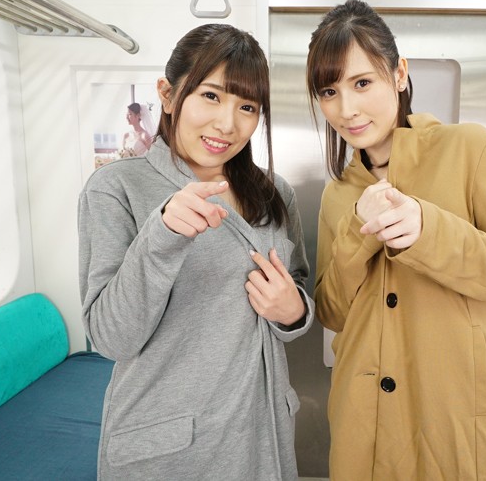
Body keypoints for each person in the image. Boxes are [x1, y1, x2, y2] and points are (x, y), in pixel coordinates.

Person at [307, 0, 486, 480]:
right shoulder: (338, 193)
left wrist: (428, 230)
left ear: (399, 74)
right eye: (329, 91)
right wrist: (357, 232)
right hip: (364, 416)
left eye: (362, 83)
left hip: (454, 413)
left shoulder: (471, 148)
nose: (346, 109)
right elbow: (331, 312)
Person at [79, 23, 314, 480]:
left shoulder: (275, 193)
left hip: (261, 432)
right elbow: (110, 339)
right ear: (168, 95)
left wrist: (293, 312)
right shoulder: (115, 188)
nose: (228, 124)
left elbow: (299, 287)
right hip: (170, 447)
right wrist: (162, 235)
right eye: (210, 96)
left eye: (247, 106)